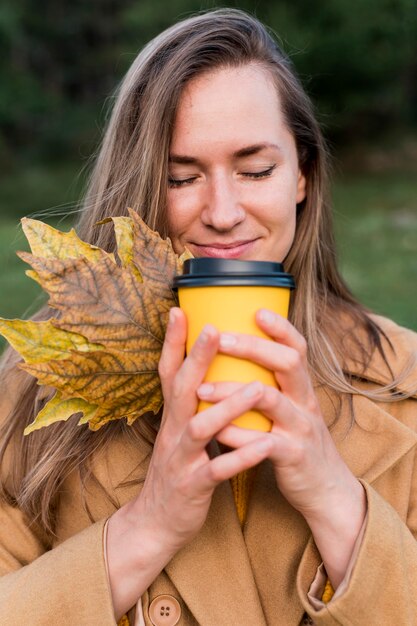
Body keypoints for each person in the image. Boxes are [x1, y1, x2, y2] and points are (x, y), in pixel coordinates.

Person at [0, 8, 416, 626]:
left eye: (255, 170)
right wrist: (150, 524)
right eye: (180, 176)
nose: (223, 212)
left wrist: (334, 497)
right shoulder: (36, 390)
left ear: (302, 174)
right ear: (137, 184)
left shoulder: (404, 379)